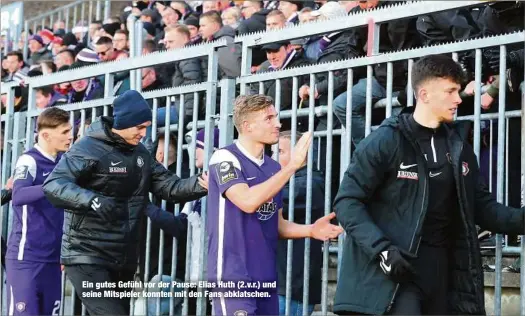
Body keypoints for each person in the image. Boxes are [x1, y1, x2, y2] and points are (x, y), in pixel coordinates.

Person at [332, 54, 525, 315]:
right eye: (450, 91)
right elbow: (348, 202)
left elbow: (482, 207)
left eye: (458, 90)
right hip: (395, 274)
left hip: (443, 275)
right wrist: (382, 250)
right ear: (424, 95)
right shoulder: (386, 141)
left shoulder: (459, 149)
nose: (458, 99)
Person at [42, 90, 208, 315]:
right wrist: (92, 200)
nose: (144, 132)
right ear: (123, 123)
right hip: (87, 254)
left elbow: (171, 187)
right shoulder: (88, 148)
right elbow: (54, 184)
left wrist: (203, 184)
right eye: (139, 127)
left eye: (147, 126)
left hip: (124, 258)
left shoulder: (140, 153)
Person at [207, 94, 344, 315]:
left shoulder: (273, 168)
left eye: (276, 117)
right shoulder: (225, 158)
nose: (278, 124)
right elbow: (248, 202)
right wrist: (292, 167)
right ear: (247, 126)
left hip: (268, 279)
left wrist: (310, 230)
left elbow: (277, 224)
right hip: (234, 277)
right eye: (269, 118)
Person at [6, 107, 72, 316]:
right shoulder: (29, 160)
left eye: (71, 130)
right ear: (45, 135)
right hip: (27, 258)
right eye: (64, 132)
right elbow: (19, 196)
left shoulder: (64, 163)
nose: (70, 136)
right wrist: (52, 185)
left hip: (53, 260)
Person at [276, 131, 324, 316]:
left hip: (291, 288)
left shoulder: (310, 183)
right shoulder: (289, 182)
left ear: (300, 154)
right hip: (280, 282)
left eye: (280, 151)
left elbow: (264, 201)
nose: (273, 157)